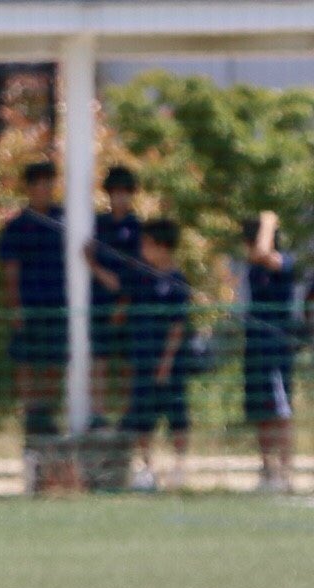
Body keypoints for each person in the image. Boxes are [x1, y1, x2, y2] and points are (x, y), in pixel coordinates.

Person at [121, 219, 191, 492]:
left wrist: (166, 363)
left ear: (162, 246)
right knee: (142, 417)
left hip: (170, 364)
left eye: (147, 244)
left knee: (177, 415)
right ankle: (146, 468)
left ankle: (179, 469)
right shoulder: (142, 277)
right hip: (142, 359)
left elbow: (177, 326)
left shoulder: (177, 281)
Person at [0, 161, 66, 443]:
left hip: (59, 308)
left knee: (54, 362)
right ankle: (32, 417)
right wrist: (17, 309)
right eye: (37, 183)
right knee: (27, 362)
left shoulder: (65, 220)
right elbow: (10, 272)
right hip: (29, 308)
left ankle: (48, 415)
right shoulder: (17, 227)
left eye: (48, 183)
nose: (44, 189)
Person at [241, 212, 297, 492]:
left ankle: (285, 473)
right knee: (260, 410)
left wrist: (268, 221)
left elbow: (265, 252)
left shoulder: (285, 262)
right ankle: (267, 469)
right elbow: (257, 255)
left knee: (280, 410)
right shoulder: (254, 267)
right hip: (255, 348)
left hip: (277, 348)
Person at [85, 167, 142, 424]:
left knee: (130, 362)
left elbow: (136, 272)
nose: (120, 198)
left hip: (130, 305)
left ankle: (130, 413)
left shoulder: (138, 228)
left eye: (125, 193)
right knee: (100, 360)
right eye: (115, 192)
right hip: (100, 305)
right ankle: (98, 413)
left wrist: (124, 301)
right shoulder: (98, 225)